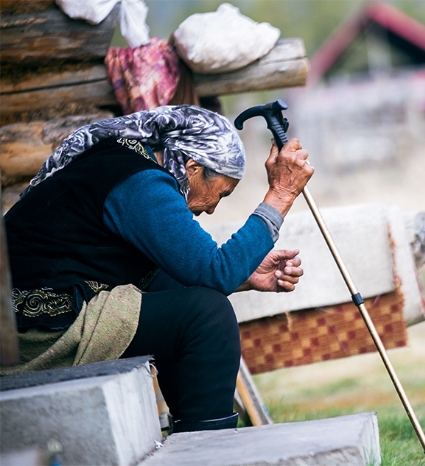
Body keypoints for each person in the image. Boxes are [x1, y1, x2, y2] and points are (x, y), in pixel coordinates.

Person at [2, 105, 314, 432]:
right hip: (30, 329)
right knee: (207, 316)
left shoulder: (127, 165)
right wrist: (282, 194)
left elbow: (181, 272)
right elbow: (214, 272)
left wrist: (244, 274)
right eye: (220, 193)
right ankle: (212, 450)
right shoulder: (141, 183)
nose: (210, 208)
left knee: (191, 298)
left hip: (33, 315)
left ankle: (196, 439)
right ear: (192, 168)